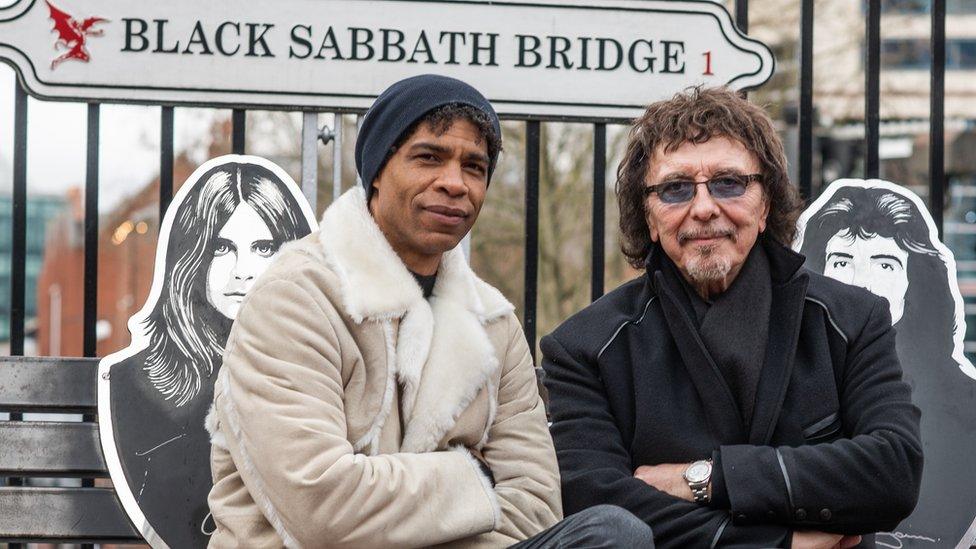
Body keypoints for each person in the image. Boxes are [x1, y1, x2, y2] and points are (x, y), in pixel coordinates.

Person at [205, 74, 653, 548]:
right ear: (376, 170)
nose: (455, 183)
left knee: (613, 534)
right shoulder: (295, 297)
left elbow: (535, 507)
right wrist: (473, 476)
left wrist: (391, 491)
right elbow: (321, 508)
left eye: (474, 167)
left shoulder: (494, 324)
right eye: (429, 158)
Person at [541, 87, 923, 548]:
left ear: (765, 205)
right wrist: (780, 542)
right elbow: (594, 505)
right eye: (675, 189)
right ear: (649, 214)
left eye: (728, 182)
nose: (703, 208)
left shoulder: (851, 319)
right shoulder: (584, 348)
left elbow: (893, 470)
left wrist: (708, 478)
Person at [103, 158, 314, 549]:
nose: (242, 271)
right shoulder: (133, 382)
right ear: (193, 258)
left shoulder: (325, 370)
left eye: (263, 247)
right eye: (222, 247)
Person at [797, 180, 976, 547]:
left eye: (885, 264)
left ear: (915, 281)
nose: (861, 283)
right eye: (842, 261)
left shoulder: (965, 404)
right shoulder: (776, 380)